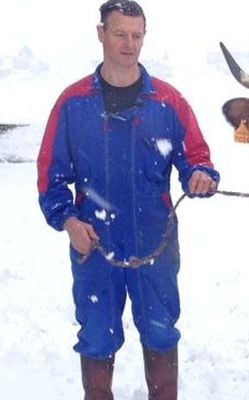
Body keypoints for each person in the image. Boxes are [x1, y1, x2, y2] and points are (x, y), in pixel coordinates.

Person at [36, 1, 219, 398]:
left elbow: (197, 158)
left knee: (160, 332)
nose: (129, 43)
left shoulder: (169, 102)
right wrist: (69, 222)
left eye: (137, 35)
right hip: (94, 245)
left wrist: (200, 175)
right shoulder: (73, 103)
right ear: (101, 33)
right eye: (120, 33)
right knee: (97, 338)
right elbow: (50, 178)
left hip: (155, 244)